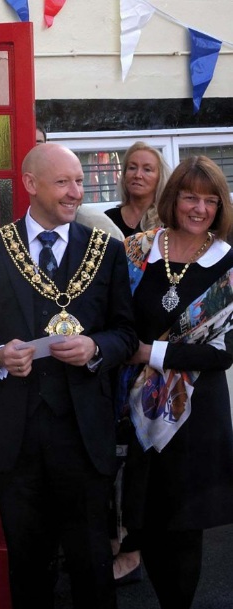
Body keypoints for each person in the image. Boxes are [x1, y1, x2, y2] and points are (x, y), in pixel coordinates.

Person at [0, 143, 137, 609]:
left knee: (91, 564)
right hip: (15, 435)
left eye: (79, 181)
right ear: (30, 184)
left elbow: (125, 333)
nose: (76, 192)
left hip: (84, 435)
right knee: (28, 564)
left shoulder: (107, 251)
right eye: (63, 182)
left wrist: (96, 347)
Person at [114, 156, 233, 608]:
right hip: (137, 409)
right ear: (172, 199)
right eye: (189, 196)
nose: (199, 208)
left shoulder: (228, 263)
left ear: (221, 207)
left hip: (197, 414)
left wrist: (150, 352)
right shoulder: (138, 250)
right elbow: (114, 317)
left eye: (210, 199)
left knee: (185, 529)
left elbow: (224, 351)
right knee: (146, 520)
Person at [105, 142, 170, 237]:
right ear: (124, 174)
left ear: (160, 177)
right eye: (132, 168)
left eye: (147, 169)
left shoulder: (169, 220)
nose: (138, 175)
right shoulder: (108, 219)